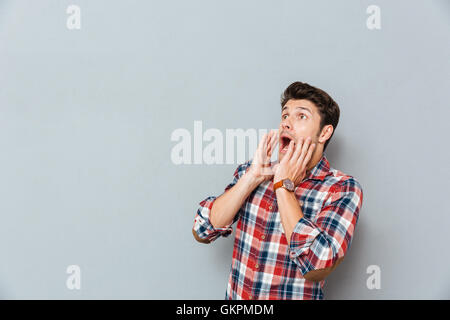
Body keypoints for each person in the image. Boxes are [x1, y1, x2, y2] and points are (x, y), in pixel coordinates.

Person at [192, 81, 364, 300]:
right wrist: (251, 178)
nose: (286, 124)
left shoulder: (342, 189)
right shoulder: (254, 171)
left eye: (301, 117)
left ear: (324, 133)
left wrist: (284, 185)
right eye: (285, 116)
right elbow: (202, 229)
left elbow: (317, 264)